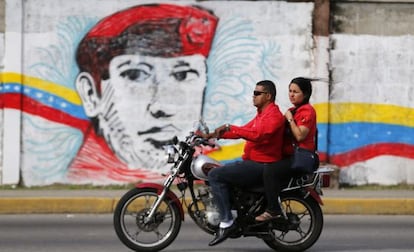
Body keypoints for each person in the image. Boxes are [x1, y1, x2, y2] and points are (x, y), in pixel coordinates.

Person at [68, 4, 219, 182]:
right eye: (135, 74)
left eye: (183, 74)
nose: (163, 107)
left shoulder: (212, 162)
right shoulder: (88, 172)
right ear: (91, 94)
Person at [198, 80, 285, 246]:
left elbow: (258, 135)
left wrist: (232, 128)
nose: (253, 96)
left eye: (257, 93)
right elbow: (244, 131)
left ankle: (226, 221)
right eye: (254, 92)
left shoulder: (273, 116)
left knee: (215, 175)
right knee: (218, 171)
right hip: (253, 161)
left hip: (261, 164)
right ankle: (231, 210)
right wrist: (214, 135)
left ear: (268, 96)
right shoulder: (262, 114)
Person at [255, 77, 317, 222]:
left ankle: (273, 210)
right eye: (290, 91)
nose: (291, 95)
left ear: (305, 94)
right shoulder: (293, 110)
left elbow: (300, 136)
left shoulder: (307, 111)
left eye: (296, 92)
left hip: (301, 157)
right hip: (290, 155)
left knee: (270, 170)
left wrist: (289, 118)